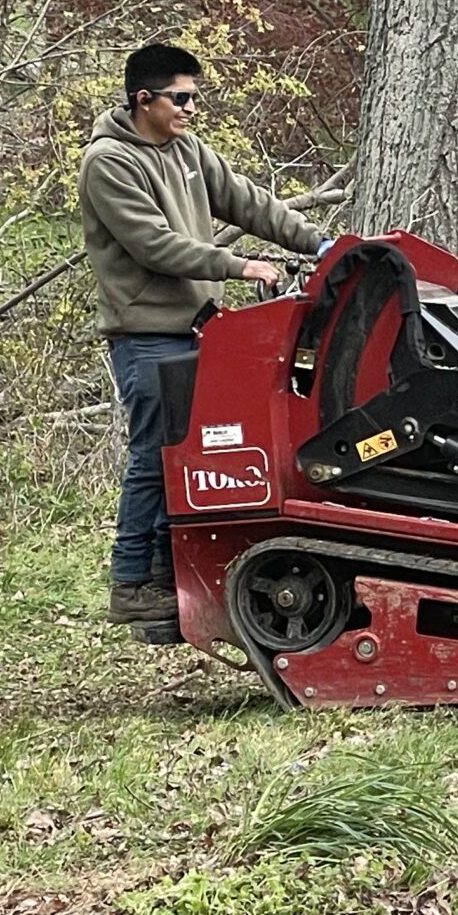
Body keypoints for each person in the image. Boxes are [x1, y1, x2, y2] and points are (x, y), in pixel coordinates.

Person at [81, 40, 323, 625]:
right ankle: (132, 582)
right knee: (153, 456)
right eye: (181, 97)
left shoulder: (187, 149)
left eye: (196, 97)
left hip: (198, 331)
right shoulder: (110, 162)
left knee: (188, 455)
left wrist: (321, 243)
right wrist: (239, 266)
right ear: (145, 99)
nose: (192, 108)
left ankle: (171, 576)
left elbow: (248, 202)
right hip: (146, 336)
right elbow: (154, 245)